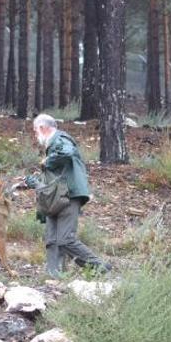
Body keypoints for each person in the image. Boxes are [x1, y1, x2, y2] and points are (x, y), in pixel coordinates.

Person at [23, 114, 112, 277]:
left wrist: (48, 161)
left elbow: (68, 152)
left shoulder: (60, 139)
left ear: (43, 128)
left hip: (68, 196)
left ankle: (99, 268)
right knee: (52, 240)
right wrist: (33, 182)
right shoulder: (52, 145)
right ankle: (55, 277)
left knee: (65, 240)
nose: (35, 135)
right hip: (54, 198)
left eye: (35, 131)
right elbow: (53, 178)